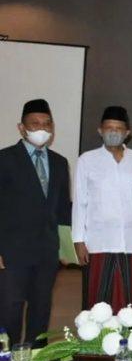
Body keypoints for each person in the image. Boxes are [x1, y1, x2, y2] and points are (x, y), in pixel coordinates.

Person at [0, 99, 71, 346]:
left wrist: (65, 249)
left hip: (47, 251)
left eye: (46, 124)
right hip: (12, 250)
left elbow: (63, 210)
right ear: (21, 128)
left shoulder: (60, 162)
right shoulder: (5, 159)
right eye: (35, 124)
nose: (41, 128)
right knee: (10, 307)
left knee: (41, 308)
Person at [72, 106, 132, 312]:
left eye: (118, 128)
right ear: (100, 130)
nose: (113, 132)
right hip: (98, 240)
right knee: (98, 297)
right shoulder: (87, 160)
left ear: (128, 133)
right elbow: (80, 202)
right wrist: (78, 240)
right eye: (109, 128)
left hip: (131, 239)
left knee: (128, 296)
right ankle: (95, 331)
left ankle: (128, 330)